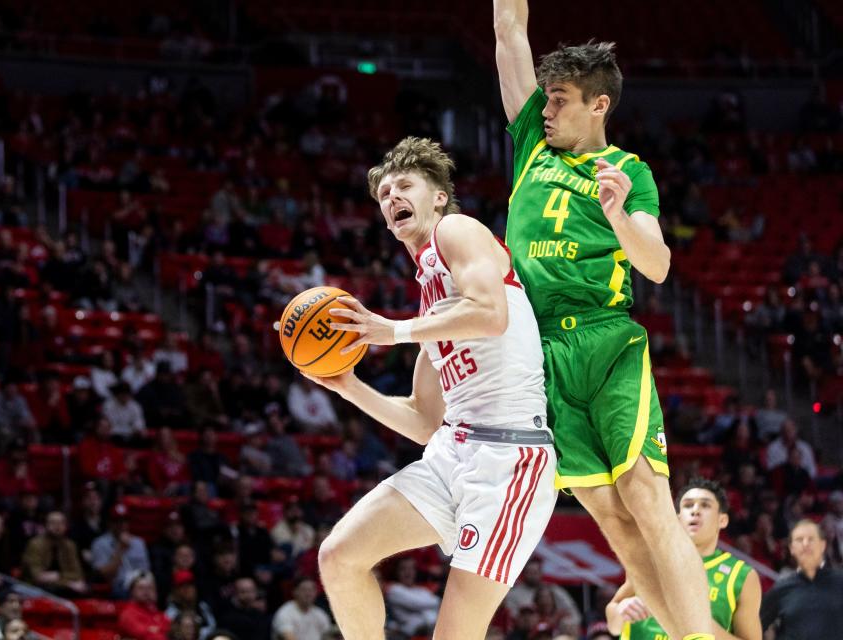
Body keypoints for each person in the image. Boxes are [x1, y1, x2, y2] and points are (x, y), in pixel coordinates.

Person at [492, 3, 713, 638]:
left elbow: (659, 264)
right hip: (539, 351)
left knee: (646, 497)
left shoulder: (630, 171)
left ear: (598, 106)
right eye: (547, 99)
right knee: (611, 519)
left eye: (559, 99)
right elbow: (509, 28)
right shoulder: (532, 144)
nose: (547, 110)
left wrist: (618, 216)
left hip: (606, 339)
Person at [307, 137, 556, 639]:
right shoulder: (432, 302)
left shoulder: (457, 230)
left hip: (509, 461)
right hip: (451, 453)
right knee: (339, 556)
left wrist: (392, 331)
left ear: (438, 196)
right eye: (383, 195)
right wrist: (348, 386)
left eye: (404, 186)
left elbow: (490, 313)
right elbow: (424, 422)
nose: (392, 197)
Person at [606, 477, 761, 639]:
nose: (695, 511)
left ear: (722, 520)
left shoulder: (741, 575)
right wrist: (620, 611)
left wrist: (701, 625)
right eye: (688, 505)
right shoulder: (649, 560)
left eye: (705, 505)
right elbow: (613, 623)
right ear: (678, 518)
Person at [760, 519, 843, 639]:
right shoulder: (781, 589)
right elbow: (755, 625)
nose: (805, 544)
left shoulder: (840, 582)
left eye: (811, 539)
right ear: (792, 549)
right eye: (799, 540)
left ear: (823, 545)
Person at [20, 511, 88, 597]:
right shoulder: (35, 544)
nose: (57, 526)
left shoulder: (70, 545)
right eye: (53, 523)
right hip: (37, 587)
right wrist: (68, 583)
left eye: (61, 523)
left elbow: (77, 574)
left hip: (64, 585)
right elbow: (38, 577)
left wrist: (58, 575)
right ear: (45, 525)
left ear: (65, 526)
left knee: (86, 589)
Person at [91, 503, 151, 598]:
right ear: (110, 523)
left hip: (139, 585)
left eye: (124, 521)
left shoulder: (139, 543)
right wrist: (120, 549)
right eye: (117, 521)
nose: (122, 525)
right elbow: (105, 575)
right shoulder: (100, 544)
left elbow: (145, 571)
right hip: (117, 587)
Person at [118, 571, 170, 640]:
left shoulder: (159, 613)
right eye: (141, 588)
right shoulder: (128, 614)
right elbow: (145, 636)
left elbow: (171, 631)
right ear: (131, 591)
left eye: (150, 588)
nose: (146, 591)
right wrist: (159, 631)